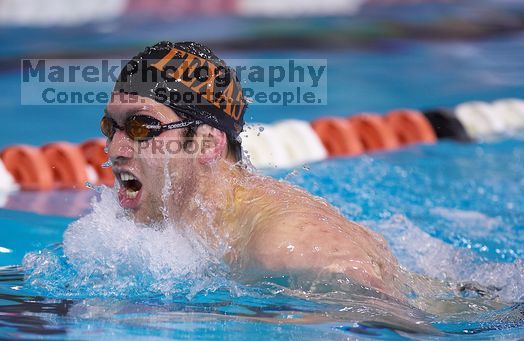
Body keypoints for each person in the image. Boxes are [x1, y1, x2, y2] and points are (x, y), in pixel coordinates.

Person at [101, 41, 406, 300]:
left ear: (207, 143)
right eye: (110, 127)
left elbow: (398, 332)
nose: (115, 149)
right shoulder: (187, 226)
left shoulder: (281, 245)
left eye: (142, 126)